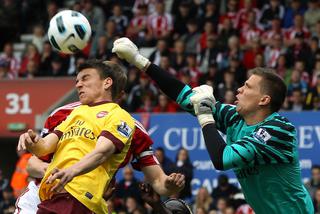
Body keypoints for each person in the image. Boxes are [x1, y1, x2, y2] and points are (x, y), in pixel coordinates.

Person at [112, 37, 314, 213]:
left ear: (264, 100)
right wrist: (139, 60)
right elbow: (186, 97)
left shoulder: (277, 130)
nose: (239, 89)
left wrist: (205, 117)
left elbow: (222, 159)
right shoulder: (236, 118)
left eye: (247, 87)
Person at [16, 94, 185, 212]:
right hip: (42, 196)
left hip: (87, 201)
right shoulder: (63, 113)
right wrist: (59, 173)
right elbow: (32, 165)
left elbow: (158, 181)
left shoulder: (131, 128)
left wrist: (170, 185)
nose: (81, 84)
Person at [17, 59, 136, 213]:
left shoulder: (119, 116)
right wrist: (32, 142)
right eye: (77, 80)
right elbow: (45, 147)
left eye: (85, 78)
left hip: (78, 196)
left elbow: (102, 152)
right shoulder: (76, 113)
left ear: (107, 83)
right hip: (53, 196)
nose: (78, 84)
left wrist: (72, 171)